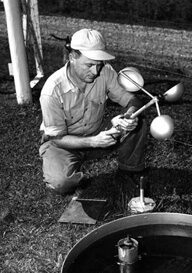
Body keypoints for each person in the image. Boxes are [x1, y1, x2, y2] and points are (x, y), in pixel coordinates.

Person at [39, 28, 147, 194]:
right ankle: (70, 172)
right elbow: (57, 138)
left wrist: (128, 116)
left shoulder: (105, 72)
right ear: (72, 57)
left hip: (98, 133)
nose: (95, 72)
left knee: (138, 122)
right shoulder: (52, 90)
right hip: (63, 144)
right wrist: (93, 142)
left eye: (99, 64)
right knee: (61, 183)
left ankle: (129, 172)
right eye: (89, 65)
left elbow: (133, 100)